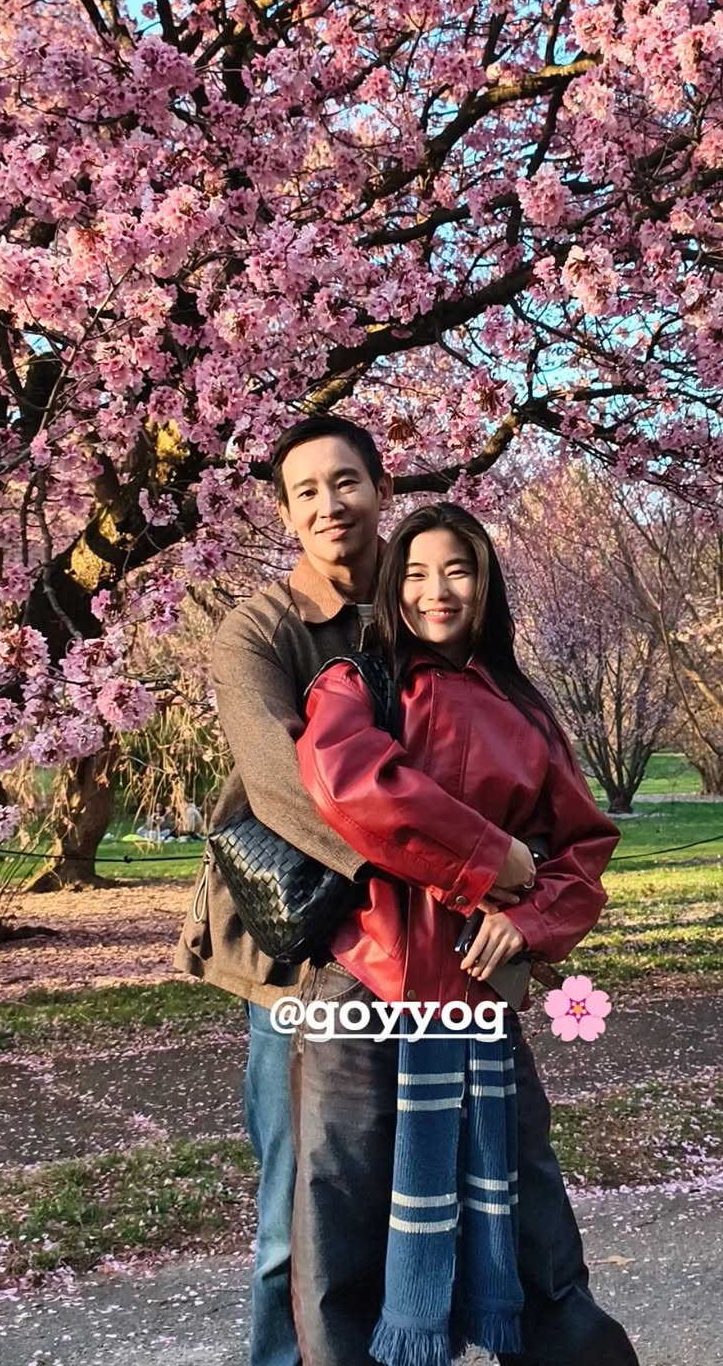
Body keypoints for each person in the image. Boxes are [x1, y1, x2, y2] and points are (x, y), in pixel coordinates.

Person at [289, 502, 639, 1366]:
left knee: (532, 1223)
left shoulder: (526, 710)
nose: (435, 590)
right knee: (342, 1231)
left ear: (487, 584)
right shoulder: (355, 687)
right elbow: (352, 788)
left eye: (458, 569)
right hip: (362, 987)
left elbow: (584, 847)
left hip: (479, 999)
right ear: (390, 587)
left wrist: (527, 919)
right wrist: (491, 860)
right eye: (413, 572)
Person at [175, 413, 392, 1366]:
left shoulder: (427, 601)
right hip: (296, 950)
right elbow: (277, 781)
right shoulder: (258, 629)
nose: (329, 504)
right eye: (306, 492)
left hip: (422, 949)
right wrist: (425, 872)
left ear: (381, 489)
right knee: (296, 1210)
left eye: (345, 482)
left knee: (412, 1193)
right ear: (287, 514)